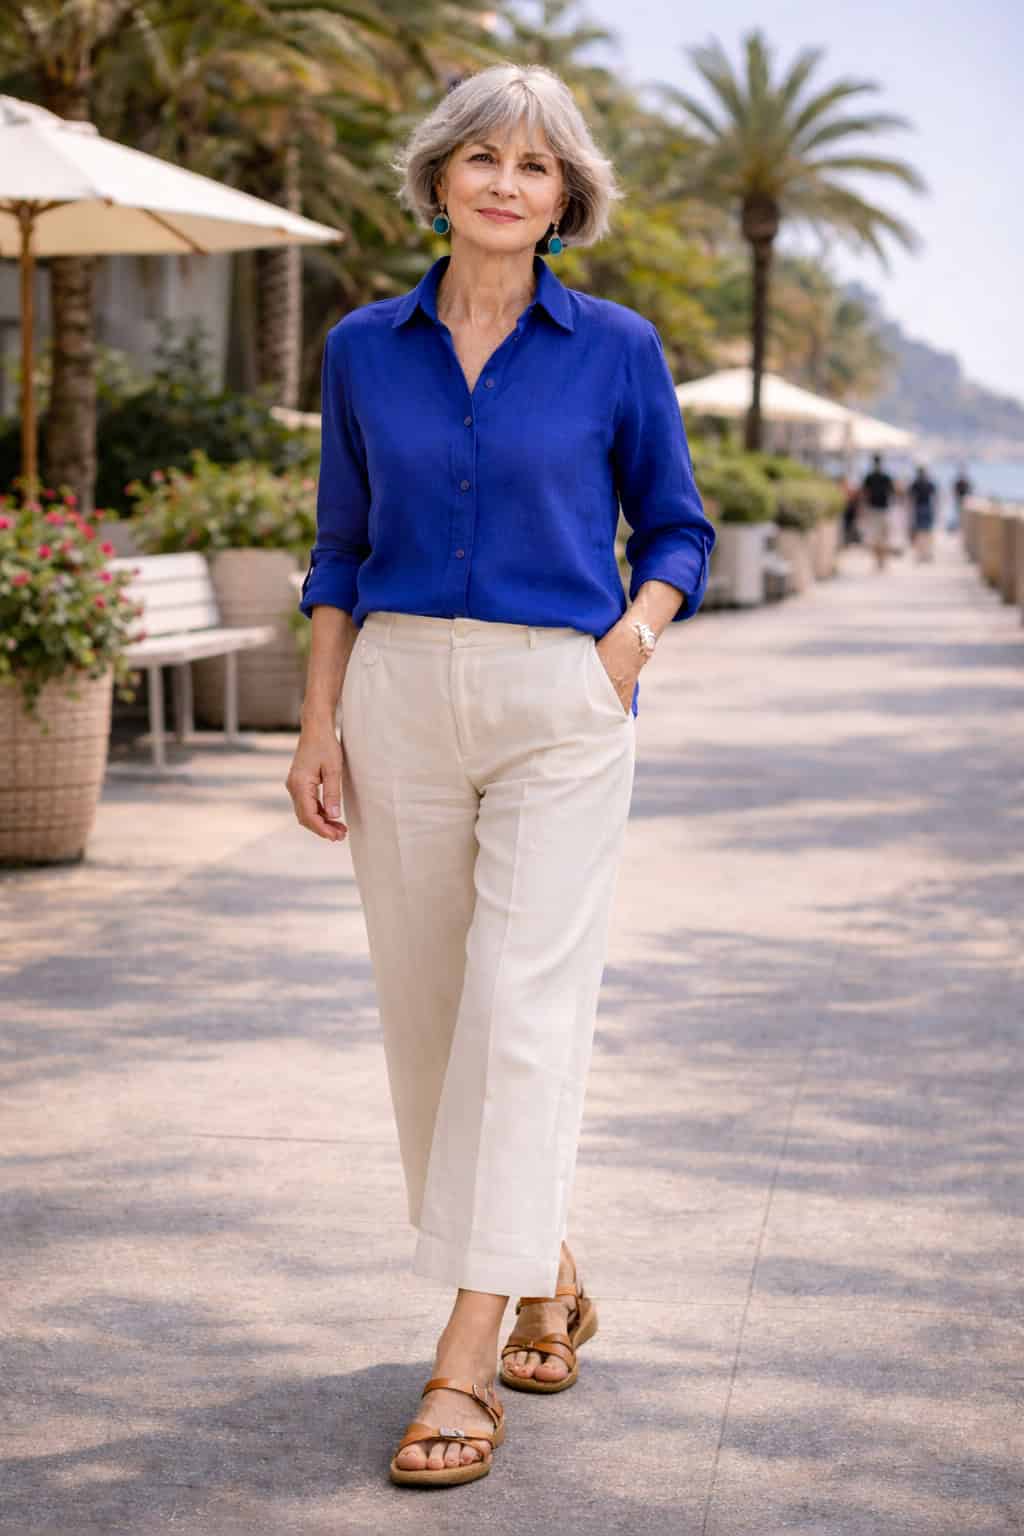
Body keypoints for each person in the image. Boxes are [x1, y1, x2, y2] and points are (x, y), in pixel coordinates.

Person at [284, 64, 715, 1491]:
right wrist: (317, 719)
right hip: (398, 691)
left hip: (558, 701)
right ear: (439, 178)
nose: (506, 183)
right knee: (430, 1021)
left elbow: (677, 529)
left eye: (536, 166)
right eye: (481, 156)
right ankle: (543, 1266)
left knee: (522, 1012)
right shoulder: (362, 347)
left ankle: (462, 1359)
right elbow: (340, 545)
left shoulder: (616, 349)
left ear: (566, 197)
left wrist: (625, 653)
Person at [860, 453, 896, 570]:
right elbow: (893, 493)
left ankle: (878, 561)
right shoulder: (886, 477)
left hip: (873, 509)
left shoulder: (869, 477)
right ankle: (881, 562)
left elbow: (864, 494)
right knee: (882, 537)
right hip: (883, 509)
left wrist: (862, 509)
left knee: (876, 537)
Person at [908, 464, 938, 561]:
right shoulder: (928, 483)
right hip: (926, 508)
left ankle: (922, 553)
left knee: (920, 532)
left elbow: (910, 498)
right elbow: (935, 497)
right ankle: (927, 553)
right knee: (927, 532)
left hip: (919, 508)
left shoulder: (915, 483)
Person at [950, 464, 973, 532]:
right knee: (960, 515)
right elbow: (954, 491)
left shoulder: (966, 482)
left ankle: (963, 528)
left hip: (965, 502)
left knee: (963, 517)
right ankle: (961, 528)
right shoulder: (959, 482)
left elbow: (970, 491)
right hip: (959, 501)